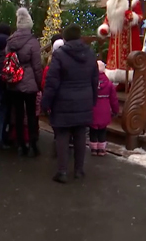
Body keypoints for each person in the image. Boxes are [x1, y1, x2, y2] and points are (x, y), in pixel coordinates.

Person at [41, 25, 98, 183]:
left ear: (64, 38)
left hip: (63, 101)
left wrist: (46, 103)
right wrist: (93, 99)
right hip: (84, 99)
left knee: (62, 135)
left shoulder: (59, 55)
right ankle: (79, 170)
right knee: (80, 134)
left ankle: (62, 171)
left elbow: (52, 82)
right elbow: (95, 79)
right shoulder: (90, 53)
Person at [6, 8, 43, 157]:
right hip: (29, 82)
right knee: (31, 114)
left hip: (14, 81)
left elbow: (7, 59)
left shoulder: (10, 41)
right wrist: (39, 83)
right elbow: (37, 65)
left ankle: (21, 144)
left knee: (18, 114)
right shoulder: (33, 42)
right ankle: (33, 143)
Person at [97, 0, 143, 85]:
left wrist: (132, 17)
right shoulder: (111, 5)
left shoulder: (133, 2)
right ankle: (119, 82)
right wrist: (105, 28)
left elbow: (140, 17)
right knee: (115, 60)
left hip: (129, 36)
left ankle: (131, 82)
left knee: (129, 59)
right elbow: (108, 19)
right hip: (115, 37)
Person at [90, 61, 119, 156]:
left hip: (93, 108)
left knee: (93, 130)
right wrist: (115, 110)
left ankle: (94, 149)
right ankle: (101, 149)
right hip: (105, 109)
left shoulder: (91, 82)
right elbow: (114, 99)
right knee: (102, 129)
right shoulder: (109, 84)